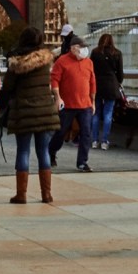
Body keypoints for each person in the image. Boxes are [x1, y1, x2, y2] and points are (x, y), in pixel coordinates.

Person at [0, 26, 59, 204]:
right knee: (43, 152)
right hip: (44, 110)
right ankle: (46, 194)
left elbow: (8, 88)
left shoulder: (16, 63)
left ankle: (21, 194)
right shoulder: (45, 61)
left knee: (23, 151)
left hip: (24, 111)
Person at [49, 35, 96, 173]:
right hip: (67, 104)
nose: (84, 50)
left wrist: (93, 101)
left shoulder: (89, 62)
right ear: (73, 48)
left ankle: (82, 162)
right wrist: (58, 97)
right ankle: (51, 152)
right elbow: (55, 80)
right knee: (60, 132)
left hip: (85, 104)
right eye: (81, 47)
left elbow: (92, 82)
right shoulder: (62, 61)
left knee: (86, 133)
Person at [89, 33, 123, 149]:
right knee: (108, 114)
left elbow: (90, 69)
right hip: (111, 85)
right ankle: (104, 141)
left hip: (97, 85)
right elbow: (120, 73)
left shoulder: (95, 52)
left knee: (96, 113)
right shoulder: (117, 53)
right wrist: (118, 82)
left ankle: (94, 140)